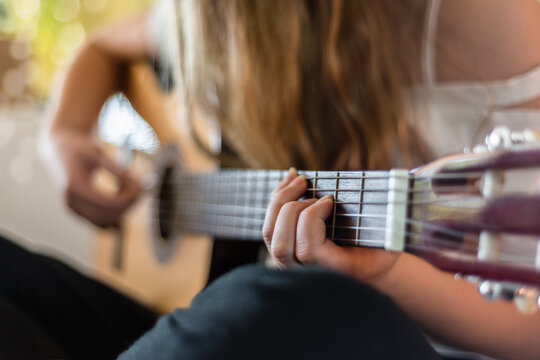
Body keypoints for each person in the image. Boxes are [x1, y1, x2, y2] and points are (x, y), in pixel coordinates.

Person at [6, 0, 540, 359]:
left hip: (360, 333)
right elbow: (102, 48)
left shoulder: (484, 18)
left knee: (272, 300)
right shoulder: (227, 18)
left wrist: (383, 277)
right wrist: (64, 133)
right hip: (200, 317)